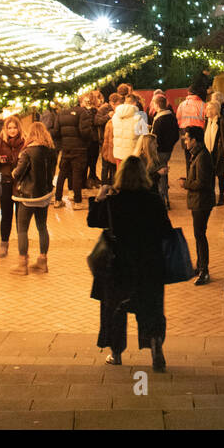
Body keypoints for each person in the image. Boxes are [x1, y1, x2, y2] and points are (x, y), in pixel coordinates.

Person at [88, 155, 173, 369]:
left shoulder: (114, 201)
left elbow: (93, 221)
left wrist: (99, 197)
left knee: (115, 308)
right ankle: (155, 346)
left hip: (119, 264)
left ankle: (116, 353)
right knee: (151, 308)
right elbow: (166, 231)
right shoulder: (153, 200)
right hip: (149, 263)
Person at [9, 121, 59, 275]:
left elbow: (18, 173)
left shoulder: (27, 152)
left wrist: (12, 173)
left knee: (22, 230)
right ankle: (42, 262)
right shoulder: (51, 151)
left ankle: (22, 264)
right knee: (42, 227)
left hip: (27, 196)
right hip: (44, 195)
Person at [179, 126, 216, 285]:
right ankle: (200, 266)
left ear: (194, 140)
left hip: (202, 201)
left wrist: (185, 183)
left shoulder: (202, 157)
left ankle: (204, 270)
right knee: (198, 234)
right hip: (199, 200)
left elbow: (202, 182)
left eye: (187, 138)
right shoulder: (198, 154)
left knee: (200, 235)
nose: (185, 141)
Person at [0, 115, 25, 257]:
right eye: (9, 128)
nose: (12, 130)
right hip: (5, 182)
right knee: (6, 215)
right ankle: (4, 244)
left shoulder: (24, 142)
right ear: (5, 129)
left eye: (14, 127)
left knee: (21, 217)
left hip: (20, 184)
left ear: (18, 128)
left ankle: (22, 247)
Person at [50, 96, 95, 210]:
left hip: (66, 148)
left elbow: (55, 132)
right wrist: (89, 139)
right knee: (77, 174)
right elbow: (84, 131)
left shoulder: (61, 113)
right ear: (78, 102)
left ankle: (58, 200)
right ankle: (77, 201)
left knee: (62, 173)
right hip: (79, 148)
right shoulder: (82, 112)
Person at [150, 95, 179, 206]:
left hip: (160, 150)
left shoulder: (159, 119)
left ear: (157, 104)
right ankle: (165, 196)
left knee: (159, 173)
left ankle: (161, 199)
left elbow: (155, 137)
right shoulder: (171, 116)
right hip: (168, 150)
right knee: (164, 172)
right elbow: (176, 135)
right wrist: (170, 145)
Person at [204, 98, 224, 203]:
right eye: (207, 109)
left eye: (210, 109)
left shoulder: (222, 121)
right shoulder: (207, 122)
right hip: (209, 152)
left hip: (220, 152)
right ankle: (212, 196)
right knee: (211, 175)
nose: (207, 111)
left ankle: (221, 196)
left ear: (216, 110)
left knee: (220, 174)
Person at [111, 95, 143, 163]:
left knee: (120, 172)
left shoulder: (115, 116)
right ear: (135, 103)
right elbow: (142, 136)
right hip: (132, 153)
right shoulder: (138, 117)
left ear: (125, 102)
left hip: (118, 153)